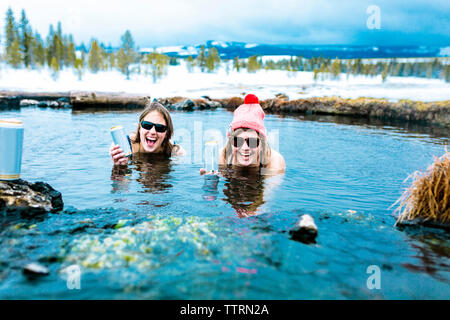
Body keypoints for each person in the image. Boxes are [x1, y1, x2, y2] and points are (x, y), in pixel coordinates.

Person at [201, 94, 285, 175]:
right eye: (237, 141)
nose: (245, 148)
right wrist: (213, 183)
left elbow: (269, 188)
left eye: (252, 142)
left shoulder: (274, 161)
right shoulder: (220, 158)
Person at [110, 101, 184, 165]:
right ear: (139, 128)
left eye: (160, 128)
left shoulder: (176, 151)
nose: (152, 132)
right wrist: (120, 167)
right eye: (147, 125)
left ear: (167, 133)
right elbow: (122, 180)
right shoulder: (123, 146)